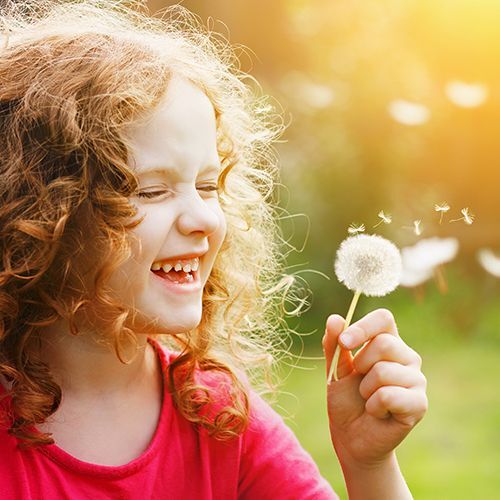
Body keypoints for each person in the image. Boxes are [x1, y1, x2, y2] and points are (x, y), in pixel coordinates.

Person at [0, 1, 428, 498]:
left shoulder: (216, 415)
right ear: (39, 215)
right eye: (152, 190)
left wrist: (369, 464)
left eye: (207, 186)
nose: (203, 218)